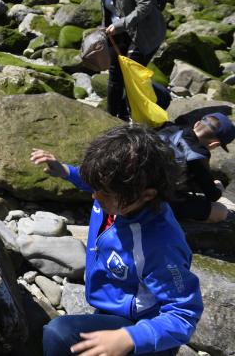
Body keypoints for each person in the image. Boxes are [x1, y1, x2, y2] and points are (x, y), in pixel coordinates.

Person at [31, 125, 203, 356]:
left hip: (142, 327)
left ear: (147, 194)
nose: (94, 196)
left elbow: (184, 313)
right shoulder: (117, 197)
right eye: (95, 187)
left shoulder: (160, 244)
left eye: (103, 192)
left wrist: (130, 337)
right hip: (112, 306)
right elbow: (94, 181)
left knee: (59, 334)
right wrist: (65, 171)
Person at [75, 0, 166, 121]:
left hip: (144, 34)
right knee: (115, 74)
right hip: (119, 33)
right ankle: (112, 118)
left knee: (132, 77)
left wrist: (119, 25)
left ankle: (142, 110)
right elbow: (109, 8)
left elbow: (146, 6)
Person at [157, 113, 233, 223]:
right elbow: (212, 195)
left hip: (137, 188)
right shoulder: (198, 155)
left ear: (197, 123)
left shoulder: (170, 128)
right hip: (158, 201)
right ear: (214, 144)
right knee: (221, 211)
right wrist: (219, 188)